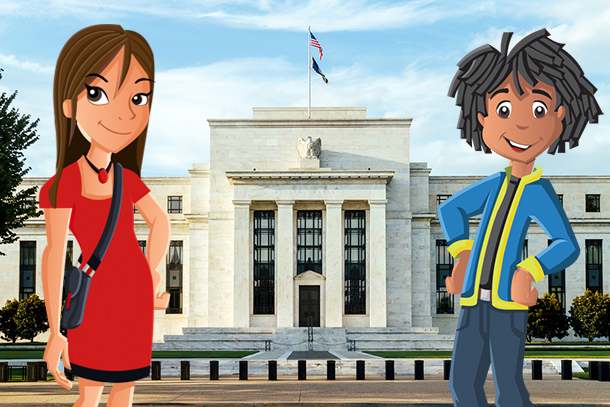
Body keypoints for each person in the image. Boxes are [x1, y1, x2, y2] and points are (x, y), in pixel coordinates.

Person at [439, 29, 602, 407]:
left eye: (539, 110)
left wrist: (529, 270)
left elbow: (566, 243)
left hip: (506, 306)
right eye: (505, 111)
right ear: (483, 117)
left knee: (509, 389)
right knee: (462, 385)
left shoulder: (538, 191)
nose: (522, 125)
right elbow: (450, 209)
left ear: (560, 117)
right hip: (471, 304)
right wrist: (462, 253)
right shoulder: (494, 185)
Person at [40, 25, 171, 407]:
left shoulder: (127, 178)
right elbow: (53, 252)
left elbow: (160, 222)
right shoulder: (63, 182)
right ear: (69, 105)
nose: (123, 113)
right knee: (90, 395)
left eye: (138, 97)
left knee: (124, 395)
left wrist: (152, 271)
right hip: (94, 296)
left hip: (134, 294)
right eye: (98, 94)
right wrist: (55, 330)